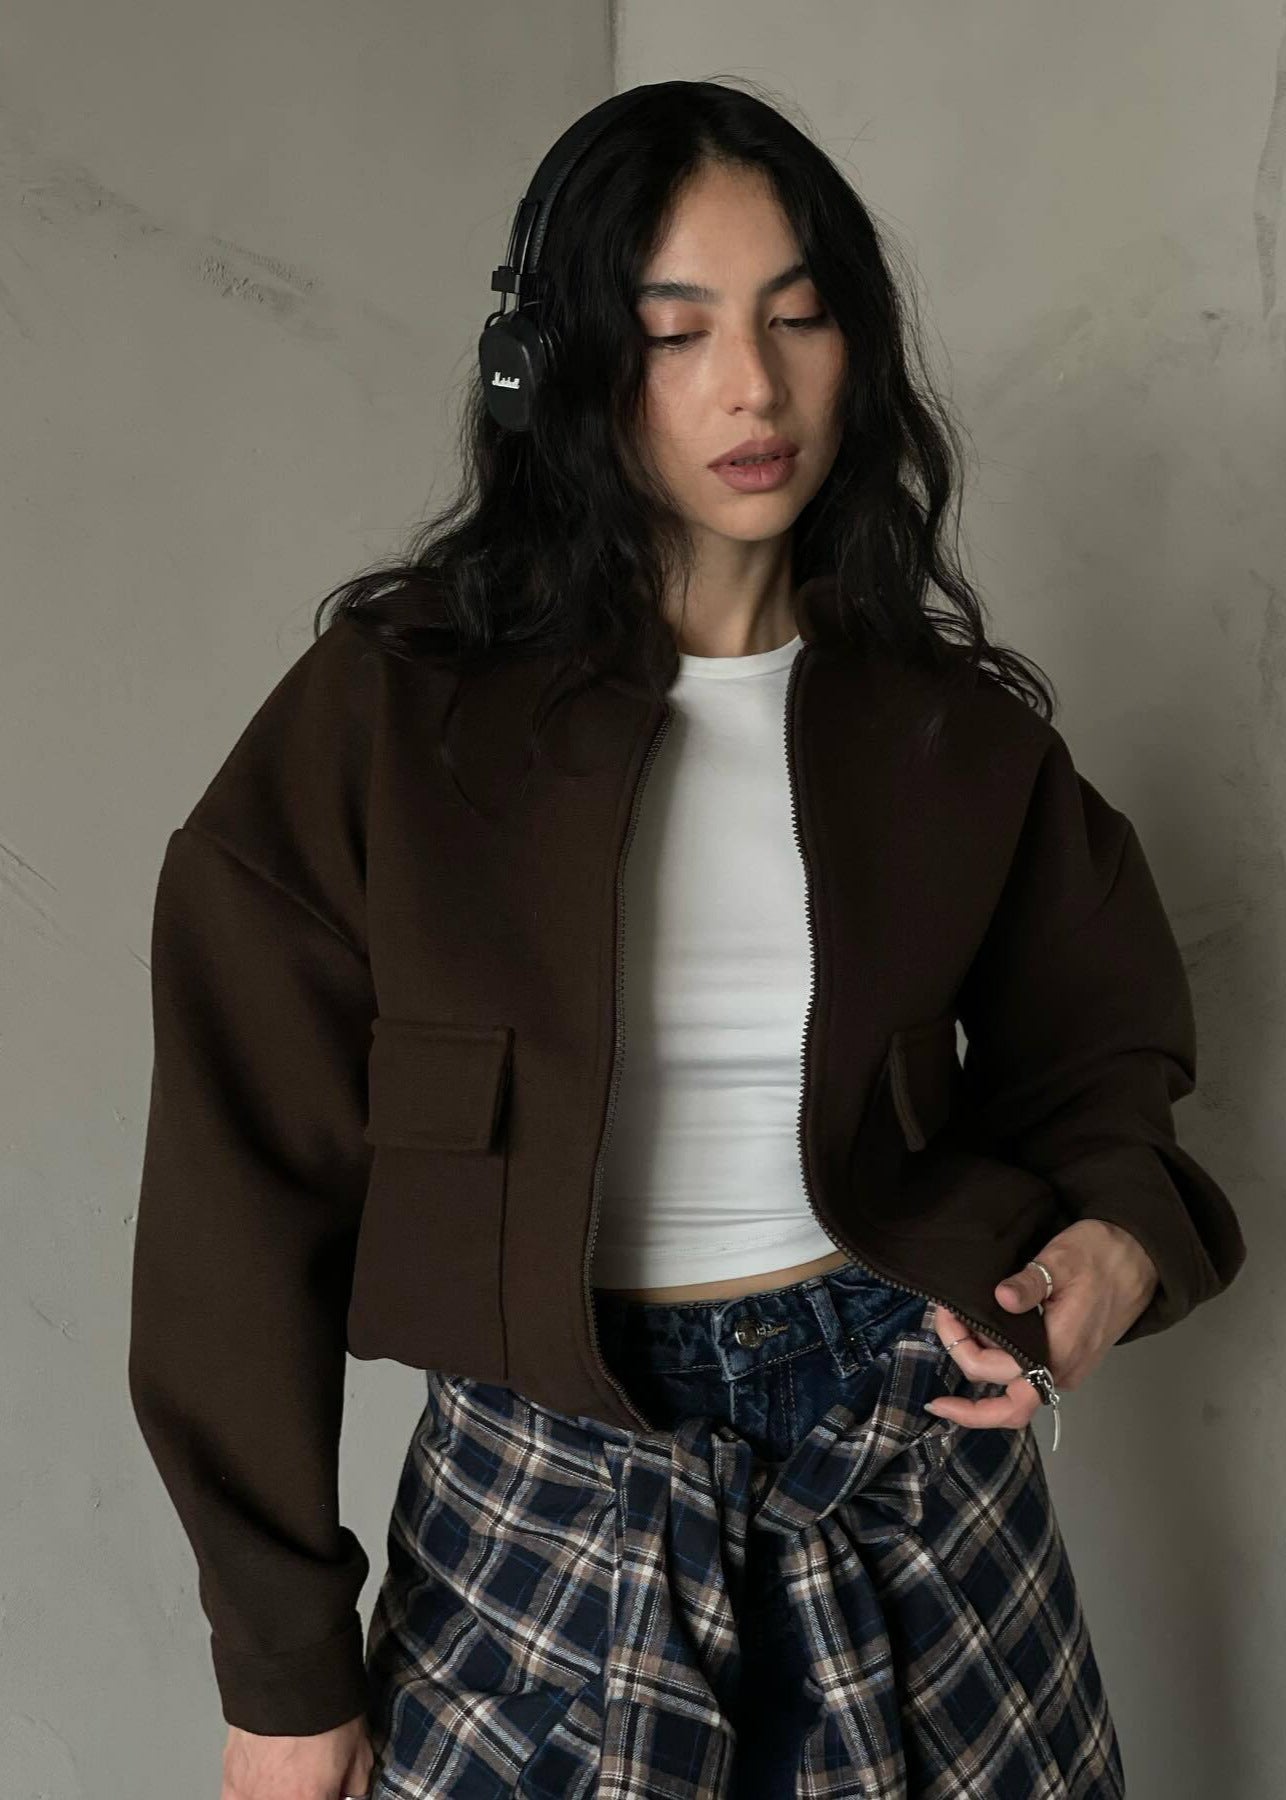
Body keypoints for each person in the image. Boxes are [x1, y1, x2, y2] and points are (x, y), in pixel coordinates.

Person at [129, 80, 1245, 1800]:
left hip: (914, 1485)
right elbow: (236, 1191)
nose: (753, 387)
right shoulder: (386, 718)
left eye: (798, 318)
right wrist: (283, 1669)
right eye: (674, 334)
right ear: (555, 369)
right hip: (543, 1507)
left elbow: (1102, 1054)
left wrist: (1112, 1248)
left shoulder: (952, 734)